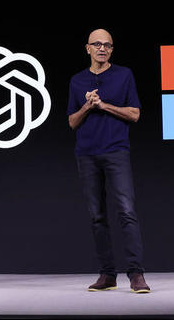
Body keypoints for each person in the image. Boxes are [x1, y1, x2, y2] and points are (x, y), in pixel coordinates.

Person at [67, 29, 150, 293]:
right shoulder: (77, 81)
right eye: (97, 44)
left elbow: (135, 114)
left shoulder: (124, 75)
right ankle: (107, 275)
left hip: (116, 151)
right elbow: (72, 122)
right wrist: (87, 107)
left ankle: (136, 274)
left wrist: (104, 106)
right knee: (97, 216)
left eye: (108, 45)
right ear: (87, 48)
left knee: (126, 211)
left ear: (112, 50)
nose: (102, 48)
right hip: (87, 154)